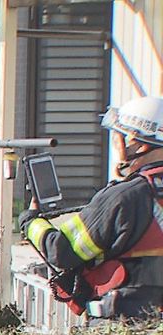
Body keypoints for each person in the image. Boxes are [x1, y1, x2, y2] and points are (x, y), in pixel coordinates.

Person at [20, 95, 163, 319]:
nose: (117, 147)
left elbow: (61, 251)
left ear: (138, 143)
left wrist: (30, 221)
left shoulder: (123, 197)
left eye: (119, 138)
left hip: (122, 333)